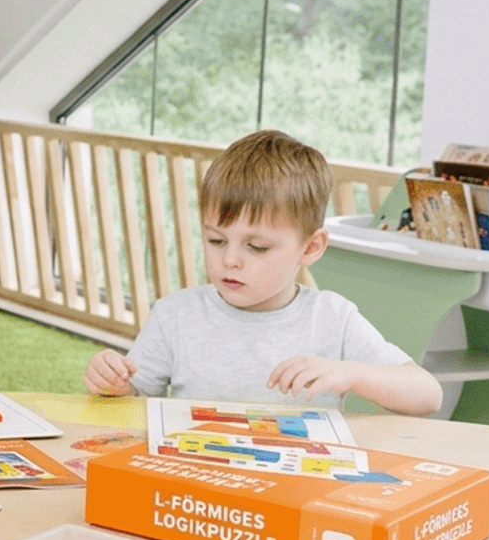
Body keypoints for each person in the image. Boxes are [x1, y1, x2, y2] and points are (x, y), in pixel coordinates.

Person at [85, 130, 442, 415]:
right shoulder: (175, 315)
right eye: (216, 240)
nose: (231, 260)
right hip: (199, 485)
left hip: (294, 487)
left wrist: (349, 373)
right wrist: (115, 385)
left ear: (310, 247)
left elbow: (427, 395)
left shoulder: (333, 318)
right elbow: (134, 401)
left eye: (256, 247)